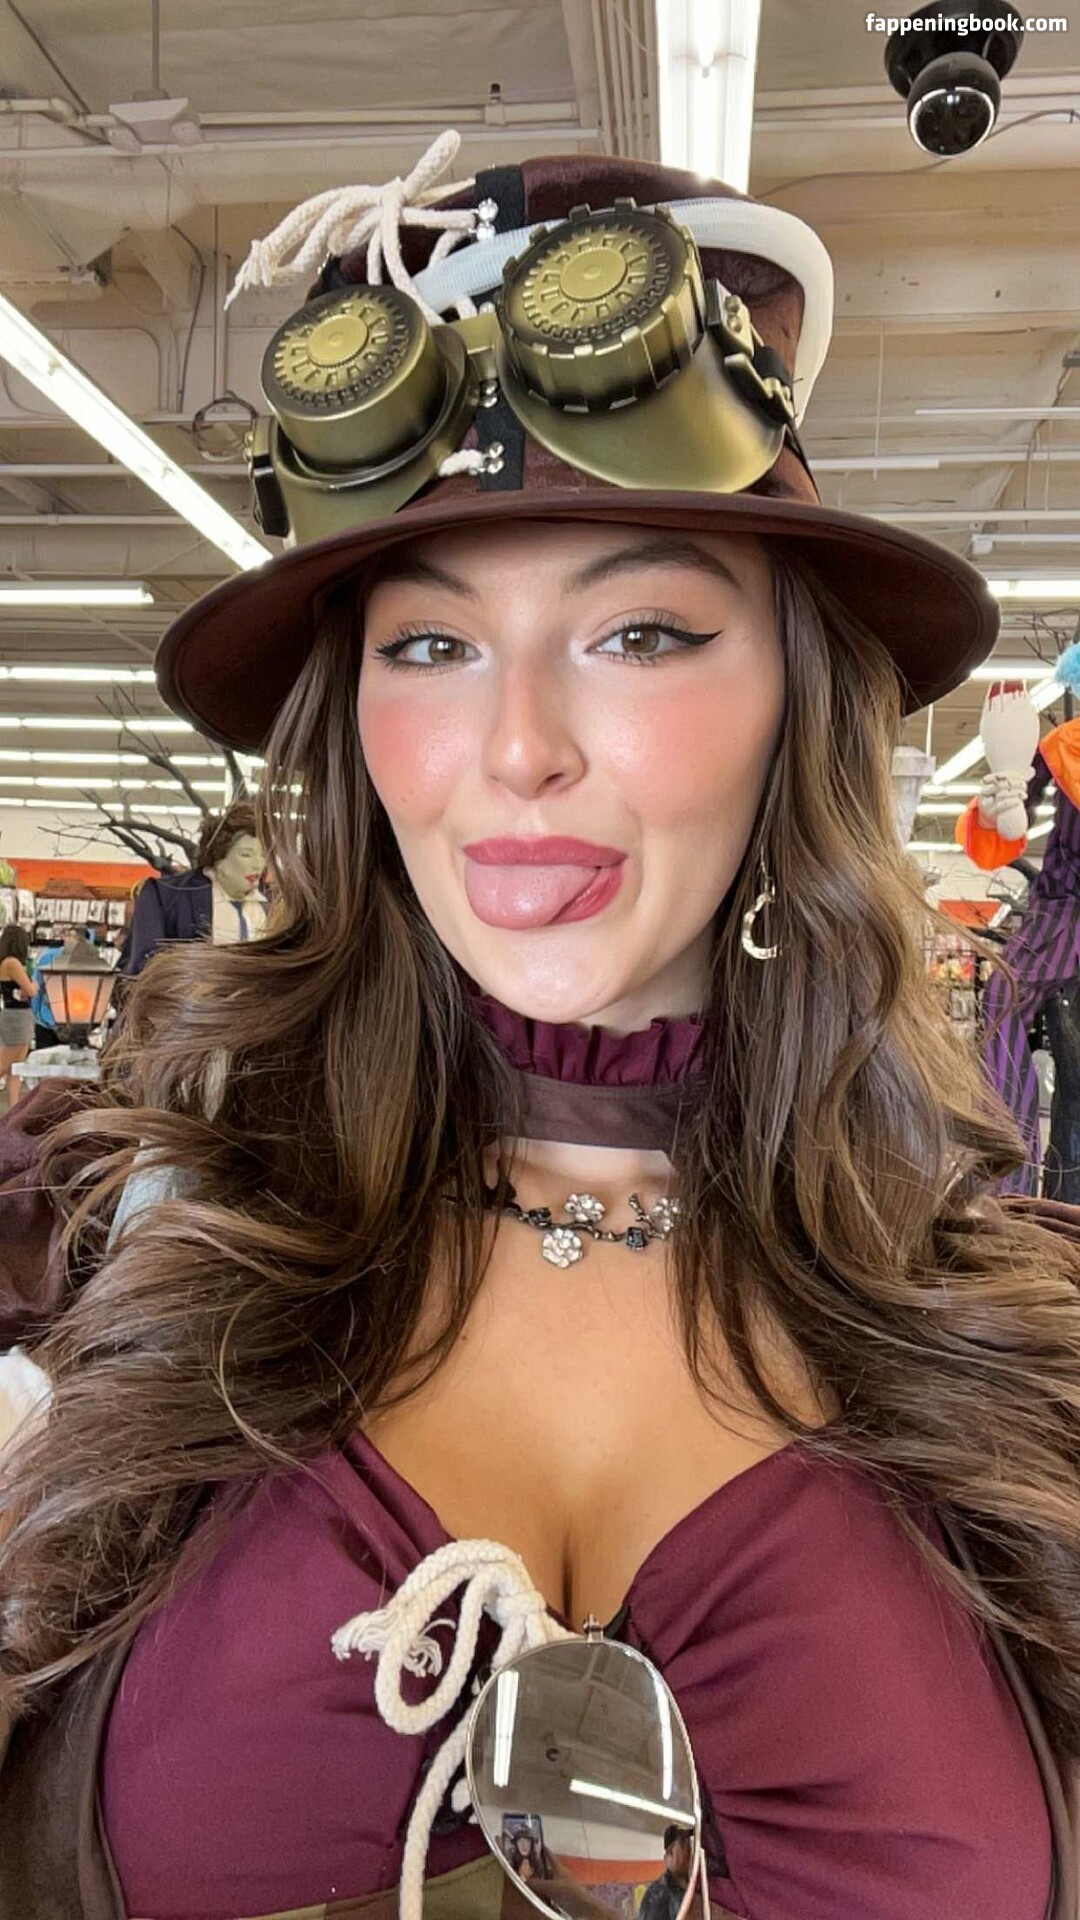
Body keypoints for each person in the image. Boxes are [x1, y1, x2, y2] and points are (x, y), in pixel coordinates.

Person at [1, 141, 1080, 1920]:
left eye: (639, 632)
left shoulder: (1007, 1339)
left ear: (794, 698)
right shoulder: (128, 1255)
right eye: (429, 649)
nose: (516, 752)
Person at [122, 802, 267, 977]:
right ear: (218, 855)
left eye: (263, 855)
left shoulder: (275, 907)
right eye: (246, 854)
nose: (258, 864)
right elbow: (143, 969)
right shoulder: (164, 896)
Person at [0, 926, 36, 1105]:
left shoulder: (7, 962)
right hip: (17, 1017)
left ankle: (13, 1107)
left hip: (16, 1014)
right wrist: (34, 985)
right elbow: (31, 990)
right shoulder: (12, 963)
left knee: (16, 1067)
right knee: (7, 1062)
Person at [638, 1826, 694, 1920]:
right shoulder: (657, 1894)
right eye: (683, 1844)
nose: (689, 1852)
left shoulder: (698, 1887)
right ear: (670, 1852)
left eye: (689, 1845)